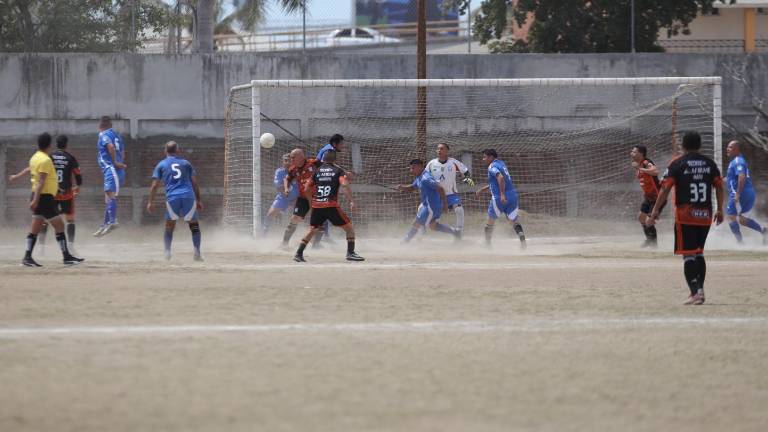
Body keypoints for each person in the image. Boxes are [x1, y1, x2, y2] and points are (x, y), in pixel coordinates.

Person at [647, 131, 724, 305]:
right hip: (705, 215)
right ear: (700, 145)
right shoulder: (710, 163)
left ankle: (696, 293)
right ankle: (699, 290)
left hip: (685, 215)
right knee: (698, 253)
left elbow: (665, 189)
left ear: (683, 145)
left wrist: (655, 211)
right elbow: (719, 186)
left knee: (688, 255)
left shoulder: (677, 163)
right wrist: (720, 209)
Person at [22, 133, 84, 266]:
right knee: (60, 225)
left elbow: (38, 175)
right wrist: (36, 200)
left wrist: (17, 176)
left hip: (40, 195)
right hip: (44, 197)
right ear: (49, 144)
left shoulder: (35, 157)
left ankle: (27, 257)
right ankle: (66, 257)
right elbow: (42, 181)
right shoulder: (46, 160)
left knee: (36, 227)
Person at [293, 149, 364, 262]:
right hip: (330, 205)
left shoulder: (317, 171)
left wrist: (312, 202)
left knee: (312, 229)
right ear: (335, 159)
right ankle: (350, 253)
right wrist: (351, 201)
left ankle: (298, 254)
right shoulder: (338, 170)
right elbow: (345, 185)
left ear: (324, 159)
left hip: (317, 205)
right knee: (349, 227)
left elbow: (306, 189)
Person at [147, 141, 203, 261]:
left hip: (173, 197)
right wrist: (198, 200)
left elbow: (154, 185)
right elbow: (194, 183)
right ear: (178, 151)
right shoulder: (186, 163)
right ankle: (197, 252)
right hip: (188, 196)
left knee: (169, 225)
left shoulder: (161, 164)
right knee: (194, 225)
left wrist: (151, 202)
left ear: (165, 151)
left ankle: (167, 252)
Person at [475, 149, 526, 249]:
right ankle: (522, 241)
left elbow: (501, 178)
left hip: (499, 198)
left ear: (491, 157)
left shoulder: (492, 166)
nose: (483, 159)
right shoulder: (501, 163)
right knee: (513, 220)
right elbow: (498, 181)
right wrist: (482, 189)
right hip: (512, 196)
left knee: (490, 221)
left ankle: (487, 244)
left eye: (485, 157)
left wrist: (502, 194)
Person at [398, 159, 460, 242]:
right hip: (431, 206)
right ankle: (455, 232)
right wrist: (403, 188)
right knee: (433, 226)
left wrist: (445, 204)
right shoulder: (419, 177)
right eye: (410, 168)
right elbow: (413, 187)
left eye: (413, 168)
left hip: (431, 207)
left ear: (420, 167)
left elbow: (440, 188)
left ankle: (405, 241)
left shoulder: (425, 178)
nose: (411, 170)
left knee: (416, 223)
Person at [426, 143, 475, 236]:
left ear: (447, 151)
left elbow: (465, 171)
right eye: (438, 149)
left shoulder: (453, 162)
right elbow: (425, 176)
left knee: (459, 209)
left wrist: (468, 179)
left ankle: (459, 232)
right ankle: (453, 232)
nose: (439, 151)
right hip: (437, 196)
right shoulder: (431, 163)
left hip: (451, 194)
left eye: (442, 149)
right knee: (431, 223)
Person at [724, 140, 767, 245]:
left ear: (736, 149)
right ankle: (763, 230)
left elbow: (741, 177)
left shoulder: (738, 161)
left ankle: (740, 243)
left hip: (740, 193)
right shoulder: (737, 161)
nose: (727, 149)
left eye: (730, 147)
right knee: (742, 220)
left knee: (731, 217)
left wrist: (738, 194)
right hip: (748, 192)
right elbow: (731, 178)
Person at [93, 116, 127, 237]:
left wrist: (115, 163)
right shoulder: (117, 136)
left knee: (108, 192)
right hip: (116, 170)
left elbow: (110, 147)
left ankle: (113, 221)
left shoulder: (103, 135)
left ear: (100, 127)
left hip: (111, 168)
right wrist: (120, 162)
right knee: (108, 198)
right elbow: (122, 152)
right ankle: (105, 224)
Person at [281, 149, 319, 247]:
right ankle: (284, 244)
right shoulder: (293, 169)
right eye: (290, 158)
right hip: (303, 198)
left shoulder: (314, 163)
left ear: (301, 156)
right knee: (294, 218)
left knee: (318, 221)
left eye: (293, 157)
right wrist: (286, 188)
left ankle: (316, 245)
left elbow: (330, 165)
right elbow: (287, 179)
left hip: (317, 197)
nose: (291, 160)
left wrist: (344, 172)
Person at [315, 134, 346, 244]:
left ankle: (323, 236)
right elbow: (324, 165)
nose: (343, 146)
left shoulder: (329, 148)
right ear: (335, 143)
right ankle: (321, 237)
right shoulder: (329, 150)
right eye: (341, 143)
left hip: (321, 182)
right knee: (325, 207)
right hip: (320, 183)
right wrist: (342, 172)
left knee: (324, 208)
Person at [630, 145, 664, 248]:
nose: (631, 153)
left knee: (649, 221)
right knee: (641, 217)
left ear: (641, 154)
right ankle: (649, 239)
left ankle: (654, 245)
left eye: (634, 152)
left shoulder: (645, 162)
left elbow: (655, 171)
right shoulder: (640, 164)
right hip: (648, 197)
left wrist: (641, 168)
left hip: (657, 197)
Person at [263, 153, 298, 236]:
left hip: (297, 199)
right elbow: (278, 187)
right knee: (270, 214)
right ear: (283, 161)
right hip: (283, 198)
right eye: (285, 160)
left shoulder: (298, 171)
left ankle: (314, 237)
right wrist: (288, 184)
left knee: (304, 215)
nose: (287, 162)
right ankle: (263, 235)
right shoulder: (279, 171)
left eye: (289, 161)